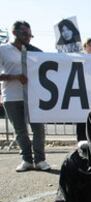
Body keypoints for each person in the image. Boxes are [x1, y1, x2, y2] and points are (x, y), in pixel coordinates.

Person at [0, 20, 50, 172]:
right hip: (12, 96)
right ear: (14, 33)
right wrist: (15, 77)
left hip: (33, 96)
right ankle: (26, 160)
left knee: (38, 129)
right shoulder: (2, 50)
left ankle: (40, 160)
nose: (28, 37)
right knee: (20, 130)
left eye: (30, 35)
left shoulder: (33, 51)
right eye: (24, 34)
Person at [76, 38, 91, 142]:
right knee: (82, 125)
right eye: (90, 45)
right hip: (82, 99)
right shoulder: (79, 61)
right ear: (85, 47)